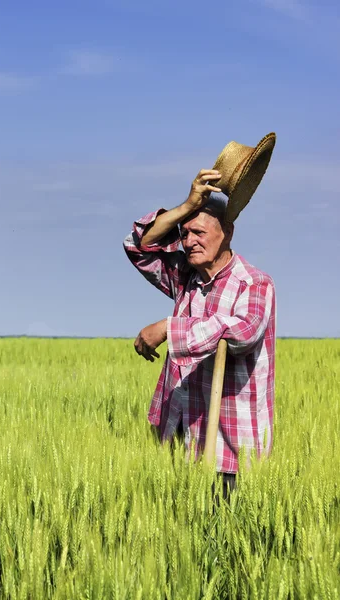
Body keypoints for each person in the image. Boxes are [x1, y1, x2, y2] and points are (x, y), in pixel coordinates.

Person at [123, 134, 277, 493]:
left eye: (198, 232)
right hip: (180, 437)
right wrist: (187, 204)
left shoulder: (254, 283)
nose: (188, 241)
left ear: (227, 233)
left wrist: (168, 328)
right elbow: (140, 246)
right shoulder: (185, 279)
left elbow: (242, 332)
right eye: (185, 233)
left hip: (230, 448)